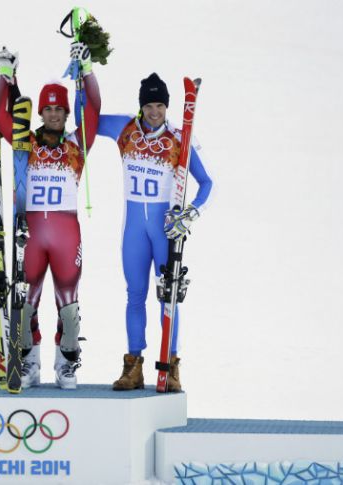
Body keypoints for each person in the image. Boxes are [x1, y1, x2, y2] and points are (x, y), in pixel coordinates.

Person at [0, 43, 100, 389]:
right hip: (32, 232)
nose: (54, 114)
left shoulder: (77, 145)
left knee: (69, 309)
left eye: (59, 109)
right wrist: (6, 76)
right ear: (40, 112)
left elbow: (94, 108)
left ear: (67, 113)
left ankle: (66, 364)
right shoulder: (25, 142)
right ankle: (30, 361)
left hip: (66, 233)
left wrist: (87, 70)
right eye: (48, 109)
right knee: (25, 304)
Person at [96, 73, 213, 391]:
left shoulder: (178, 137)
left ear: (166, 107)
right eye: (149, 105)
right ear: (141, 106)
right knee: (135, 295)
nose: (154, 112)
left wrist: (190, 214)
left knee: (169, 296)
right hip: (134, 230)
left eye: (160, 105)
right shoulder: (125, 128)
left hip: (164, 230)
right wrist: (85, 75)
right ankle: (133, 366)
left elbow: (207, 183)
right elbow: (87, 120)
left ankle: (171, 366)